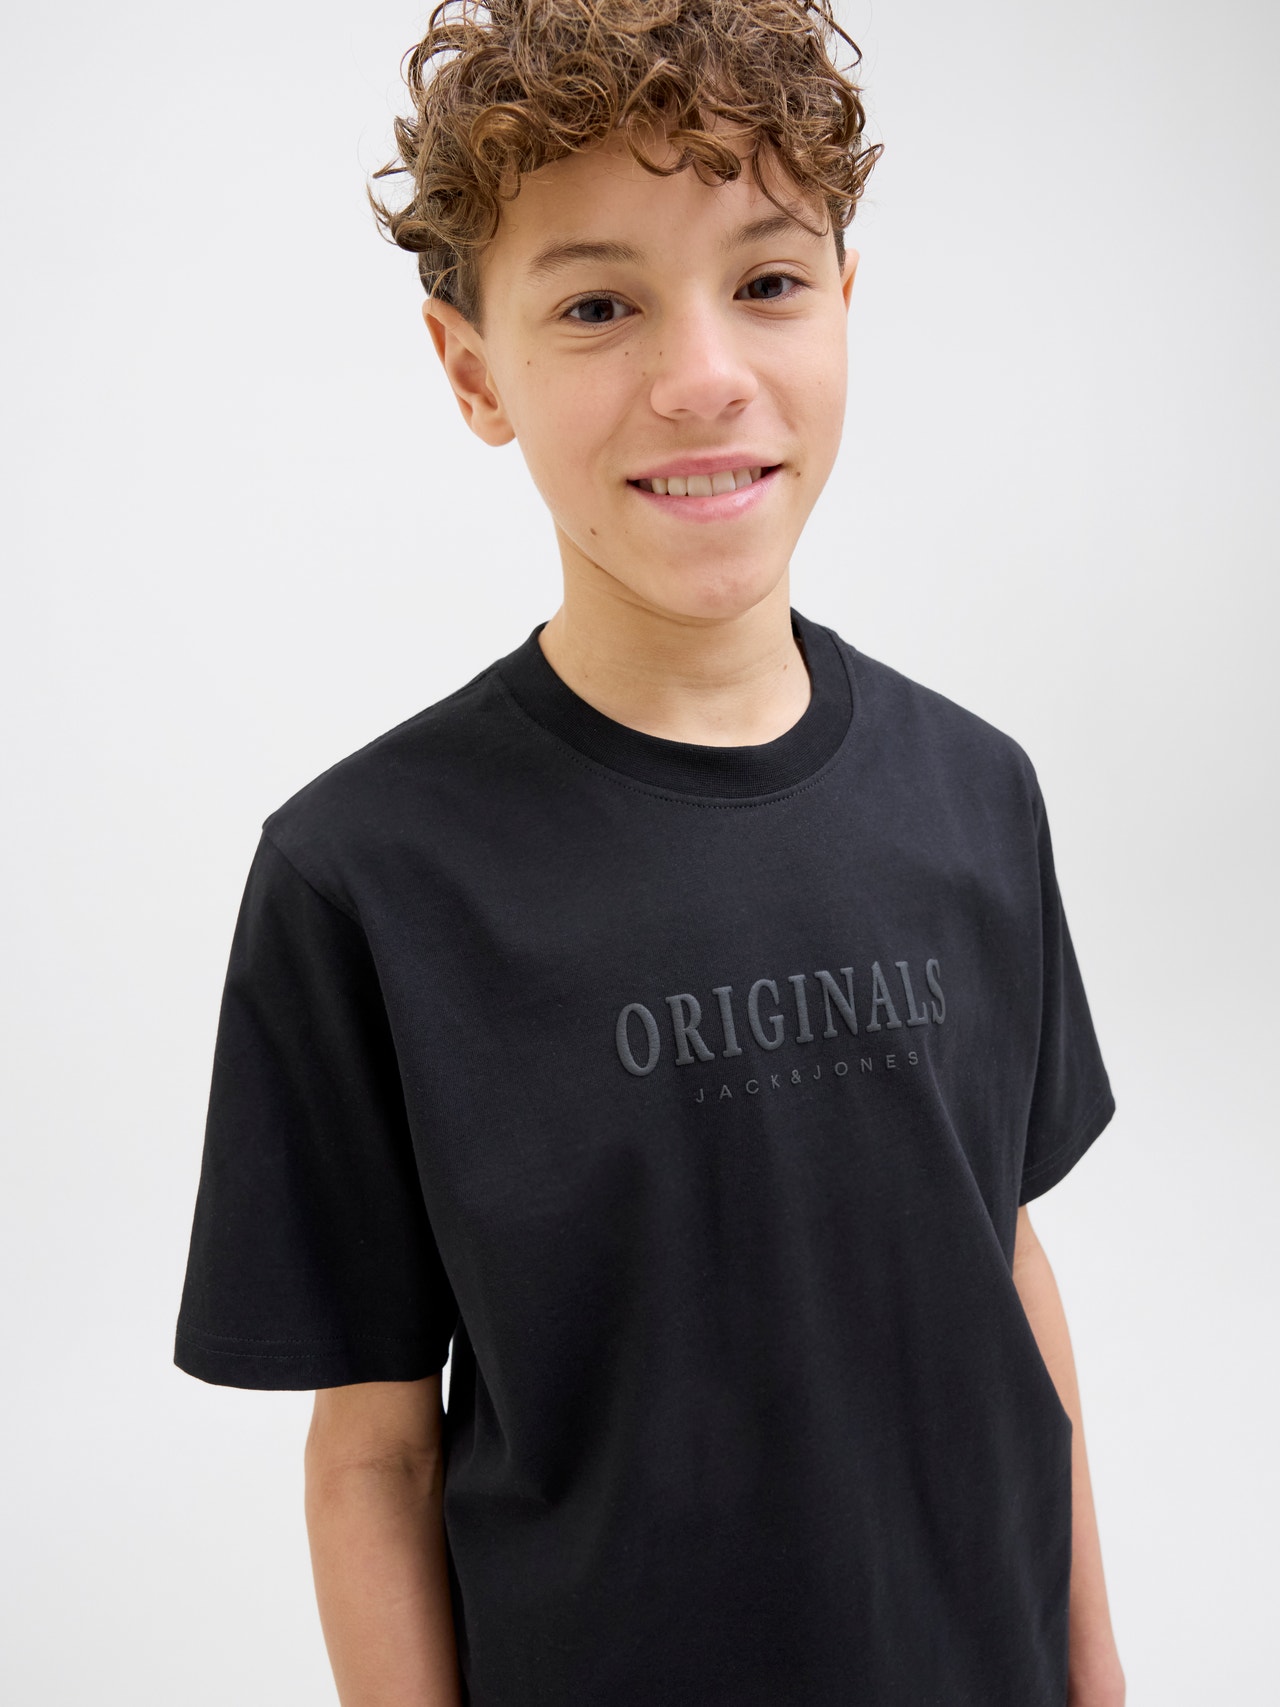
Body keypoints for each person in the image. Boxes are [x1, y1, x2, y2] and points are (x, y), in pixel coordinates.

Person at [173, 2, 1126, 1703]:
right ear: (474, 370)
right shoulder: (364, 880)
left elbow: (1007, 1267)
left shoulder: (978, 792)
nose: (704, 378)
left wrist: (1096, 1678)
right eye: (600, 306)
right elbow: (374, 1449)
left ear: (846, 304)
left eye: (769, 281)